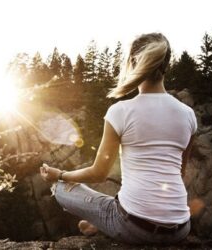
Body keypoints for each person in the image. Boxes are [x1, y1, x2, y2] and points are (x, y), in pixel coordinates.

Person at [40, 33, 197, 245]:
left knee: (59, 187)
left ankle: (104, 221)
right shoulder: (188, 114)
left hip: (135, 228)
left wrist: (59, 174)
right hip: (180, 228)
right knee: (126, 196)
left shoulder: (121, 111)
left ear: (133, 63)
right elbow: (180, 173)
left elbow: (98, 173)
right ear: (166, 65)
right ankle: (99, 223)